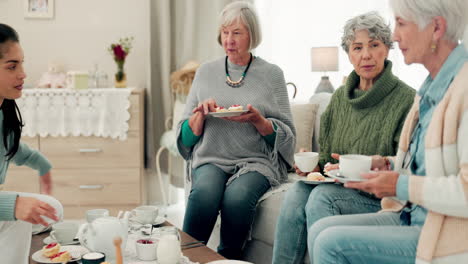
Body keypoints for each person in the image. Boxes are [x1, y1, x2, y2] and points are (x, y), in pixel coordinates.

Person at [308, 0, 468, 263]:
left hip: (443, 233)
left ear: (436, 27)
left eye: (402, 24)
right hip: (409, 214)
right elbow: (428, 167)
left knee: (329, 243)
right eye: (357, 47)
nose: (394, 36)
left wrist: (399, 184)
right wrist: (384, 164)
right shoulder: (430, 89)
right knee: (318, 230)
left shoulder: (462, 88)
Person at [272, 12, 416, 264]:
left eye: (374, 45)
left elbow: (404, 167)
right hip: (342, 188)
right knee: (297, 190)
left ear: (387, 49)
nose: (366, 55)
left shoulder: (406, 100)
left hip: (383, 200)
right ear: (349, 54)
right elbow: (329, 159)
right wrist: (315, 167)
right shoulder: (339, 99)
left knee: (321, 197)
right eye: (357, 47)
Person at [176, 1, 296, 259]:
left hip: (256, 161)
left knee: (237, 198)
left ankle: (228, 259)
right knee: (205, 193)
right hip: (212, 156)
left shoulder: (272, 75)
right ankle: (186, 257)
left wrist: (259, 121)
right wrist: (198, 119)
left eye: (237, 33)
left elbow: (288, 135)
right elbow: (185, 136)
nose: (228, 40)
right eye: (225, 32)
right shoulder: (205, 72)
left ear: (252, 35)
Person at [0, 23, 63, 263]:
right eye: (12, 66)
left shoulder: (3, 110)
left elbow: (10, 146)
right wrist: (13, 205)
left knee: (51, 208)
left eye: (22, 63)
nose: (23, 73)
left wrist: (42, 165)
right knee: (22, 213)